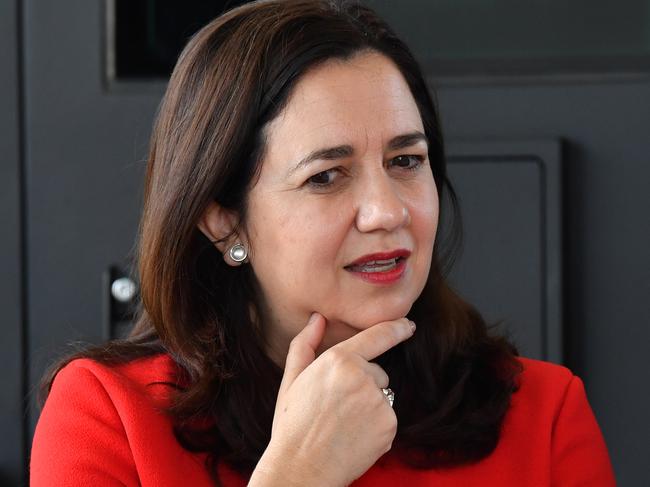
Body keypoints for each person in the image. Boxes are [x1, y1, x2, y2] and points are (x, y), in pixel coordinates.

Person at [30, 1, 616, 485]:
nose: (388, 211)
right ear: (221, 219)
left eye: (406, 160)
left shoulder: (543, 414)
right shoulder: (108, 419)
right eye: (326, 176)